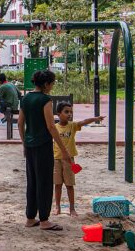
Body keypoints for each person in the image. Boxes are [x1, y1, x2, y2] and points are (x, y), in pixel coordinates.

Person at [18, 69, 72, 231]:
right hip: (43, 146)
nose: (52, 86)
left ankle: (30, 217)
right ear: (46, 84)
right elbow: (50, 126)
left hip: (30, 146)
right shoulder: (45, 100)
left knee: (32, 181)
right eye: (52, 83)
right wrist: (63, 149)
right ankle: (44, 220)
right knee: (44, 182)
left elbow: (20, 123)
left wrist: (24, 143)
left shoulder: (25, 98)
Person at [52, 102, 104, 216]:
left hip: (69, 160)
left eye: (71, 112)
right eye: (66, 112)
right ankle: (57, 207)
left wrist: (96, 118)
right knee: (58, 185)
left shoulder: (72, 126)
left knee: (70, 185)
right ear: (58, 113)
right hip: (56, 160)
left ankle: (72, 208)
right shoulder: (54, 128)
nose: (69, 114)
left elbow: (84, 122)